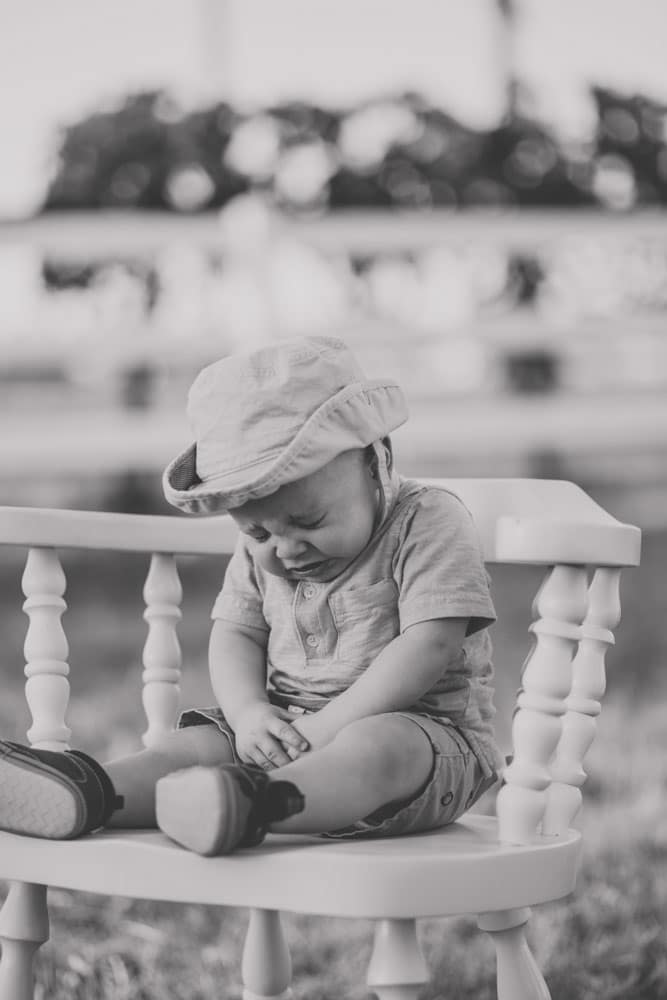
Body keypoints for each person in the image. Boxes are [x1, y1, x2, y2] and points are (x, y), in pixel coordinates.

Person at [0, 336, 503, 856]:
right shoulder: (264, 551)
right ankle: (94, 792)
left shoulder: (428, 520)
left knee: (375, 748)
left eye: (309, 521)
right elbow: (236, 632)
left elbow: (429, 644)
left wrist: (330, 725)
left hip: (430, 744)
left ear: (377, 462)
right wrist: (247, 715)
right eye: (259, 534)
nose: (285, 550)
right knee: (194, 748)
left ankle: (251, 807)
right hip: (284, 726)